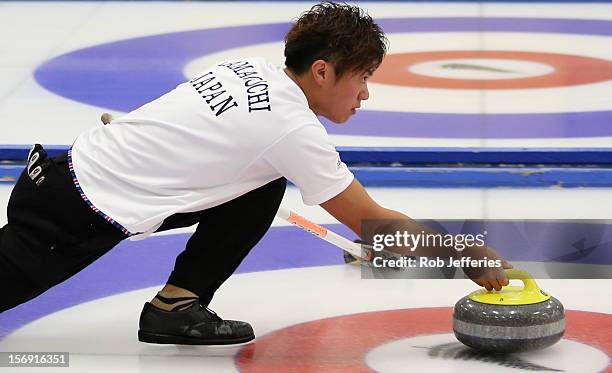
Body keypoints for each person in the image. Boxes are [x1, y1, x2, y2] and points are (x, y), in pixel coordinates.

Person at [0, 2, 510, 345]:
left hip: (62, 176)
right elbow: (372, 222)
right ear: (323, 71)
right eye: (363, 78)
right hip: (71, 217)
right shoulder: (289, 129)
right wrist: (461, 250)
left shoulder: (249, 71)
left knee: (259, 183)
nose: (365, 95)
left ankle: (174, 309)